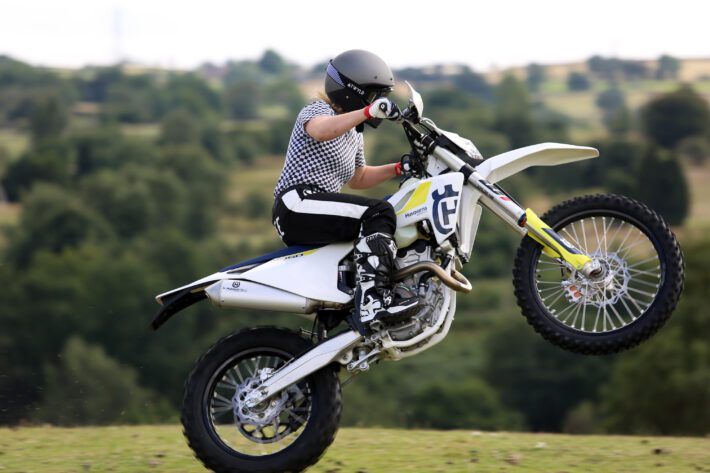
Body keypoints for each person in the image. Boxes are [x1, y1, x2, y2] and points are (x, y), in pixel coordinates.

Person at [272, 49, 420, 334]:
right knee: (377, 212)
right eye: (373, 95)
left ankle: (351, 312)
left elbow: (358, 177)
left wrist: (400, 167)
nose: (377, 102)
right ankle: (374, 302)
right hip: (297, 203)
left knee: (384, 213)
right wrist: (366, 112)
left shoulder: (353, 133)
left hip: (314, 206)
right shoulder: (318, 110)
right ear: (352, 91)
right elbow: (321, 131)